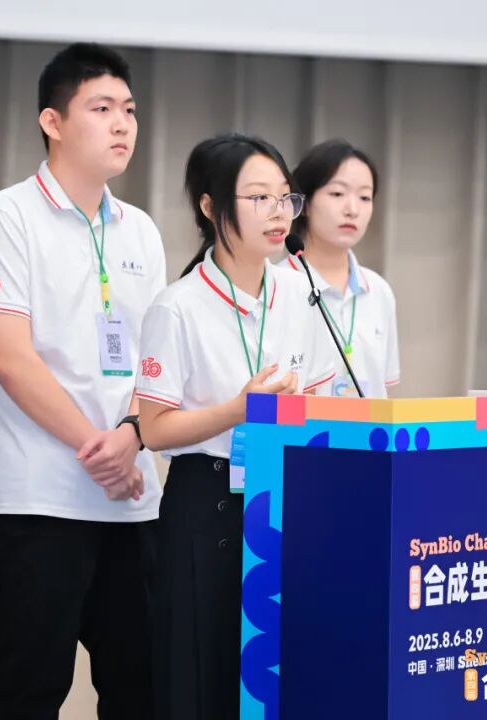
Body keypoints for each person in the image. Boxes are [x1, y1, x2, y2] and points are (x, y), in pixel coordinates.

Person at [0, 43, 166, 719]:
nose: (122, 124)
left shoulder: (140, 230)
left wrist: (130, 436)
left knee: (141, 688)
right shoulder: (9, 215)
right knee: (28, 688)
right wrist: (98, 449)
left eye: (129, 110)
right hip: (36, 498)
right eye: (101, 108)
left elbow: (155, 360)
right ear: (52, 121)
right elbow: (9, 357)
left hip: (130, 500)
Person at [135, 133, 335, 720]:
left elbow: (322, 399)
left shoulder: (302, 293)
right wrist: (238, 409)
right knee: (203, 682)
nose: (279, 213)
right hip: (206, 509)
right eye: (259, 198)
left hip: (282, 503)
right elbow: (154, 429)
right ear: (210, 205)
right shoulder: (177, 306)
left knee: (276, 684)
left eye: (285, 198)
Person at [287, 139, 400, 397]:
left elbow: (382, 387)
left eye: (364, 197)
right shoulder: (277, 287)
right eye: (337, 194)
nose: (352, 210)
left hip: (370, 424)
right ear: (304, 203)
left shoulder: (379, 291)